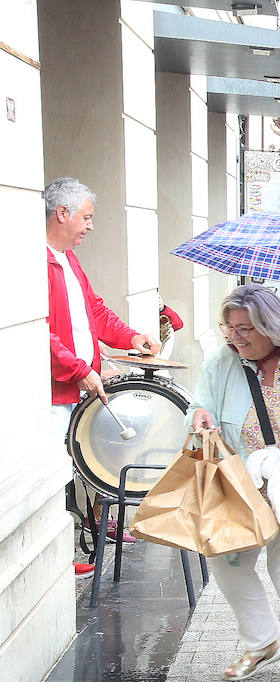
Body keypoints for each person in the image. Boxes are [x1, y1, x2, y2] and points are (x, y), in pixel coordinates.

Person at [189, 286, 280, 682]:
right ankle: (262, 640)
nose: (236, 337)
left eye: (245, 328)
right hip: (242, 483)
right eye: (230, 328)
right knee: (225, 561)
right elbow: (197, 407)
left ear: (270, 325)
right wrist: (199, 414)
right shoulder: (221, 363)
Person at [45, 177, 160, 579]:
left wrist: (131, 337)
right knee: (55, 473)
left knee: (79, 464)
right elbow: (44, 333)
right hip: (56, 390)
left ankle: (78, 542)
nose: (90, 226)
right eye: (86, 217)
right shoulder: (38, 261)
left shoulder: (68, 260)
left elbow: (93, 311)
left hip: (77, 382)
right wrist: (81, 370)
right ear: (62, 214)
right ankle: (58, 558)